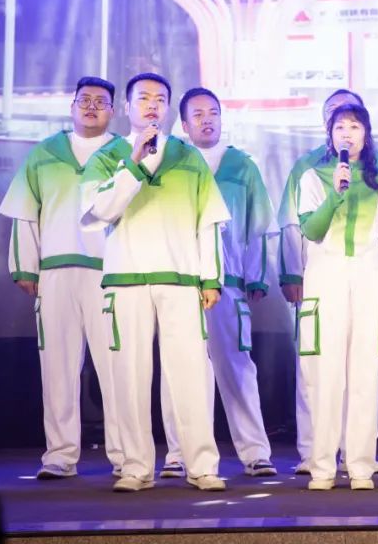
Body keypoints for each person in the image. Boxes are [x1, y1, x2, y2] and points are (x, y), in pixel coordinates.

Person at [80, 72, 230, 493]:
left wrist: (211, 278)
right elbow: (97, 212)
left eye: (160, 99)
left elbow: (209, 221)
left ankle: (201, 465)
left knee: (191, 375)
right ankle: (136, 467)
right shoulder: (108, 156)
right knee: (128, 376)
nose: (151, 105)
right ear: (127, 107)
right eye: (143, 98)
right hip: (126, 280)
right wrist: (133, 162)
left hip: (180, 279)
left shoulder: (188, 156)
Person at [278, 88, 378, 474]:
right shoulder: (312, 176)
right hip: (327, 275)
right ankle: (321, 463)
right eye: (340, 127)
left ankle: (360, 463)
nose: (347, 134)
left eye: (355, 126)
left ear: (366, 134)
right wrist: (334, 196)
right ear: (329, 133)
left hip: (370, 277)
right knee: (326, 374)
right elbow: (311, 230)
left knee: (365, 374)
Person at [0, 76, 123, 480]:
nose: (92, 106)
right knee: (57, 367)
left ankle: (126, 456)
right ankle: (60, 455)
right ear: (72, 107)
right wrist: (24, 266)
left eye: (100, 101)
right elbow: (24, 213)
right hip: (55, 272)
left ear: (113, 111)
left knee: (117, 367)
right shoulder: (44, 153)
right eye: (85, 100)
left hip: (111, 275)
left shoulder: (125, 152)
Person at [158, 87, 278, 478]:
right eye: (197, 114)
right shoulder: (171, 161)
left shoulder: (241, 165)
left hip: (228, 282)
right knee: (179, 369)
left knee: (236, 366)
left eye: (213, 112)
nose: (206, 119)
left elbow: (260, 225)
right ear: (184, 122)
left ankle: (255, 452)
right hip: (181, 281)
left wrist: (256, 275)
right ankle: (178, 453)